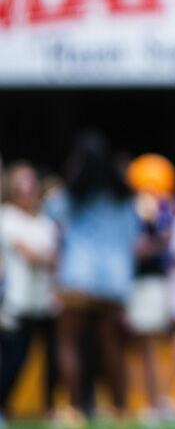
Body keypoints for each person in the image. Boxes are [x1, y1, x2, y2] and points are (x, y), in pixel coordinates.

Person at [48, 131, 139, 423]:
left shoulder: (75, 193)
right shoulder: (123, 195)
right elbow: (132, 235)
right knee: (111, 345)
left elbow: (52, 211)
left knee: (68, 342)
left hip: (78, 276)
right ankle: (121, 408)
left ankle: (75, 409)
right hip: (114, 281)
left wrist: (70, 176)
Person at [125, 153, 175, 421]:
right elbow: (135, 248)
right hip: (141, 282)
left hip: (165, 282)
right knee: (145, 345)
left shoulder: (168, 209)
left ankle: (162, 400)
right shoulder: (132, 209)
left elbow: (170, 243)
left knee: (171, 344)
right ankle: (151, 402)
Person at [0, 162, 58, 419]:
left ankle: (50, 408)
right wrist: (46, 259)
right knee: (12, 359)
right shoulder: (6, 218)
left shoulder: (47, 223)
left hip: (44, 301)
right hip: (15, 301)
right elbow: (33, 255)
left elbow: (54, 259)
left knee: (51, 359)